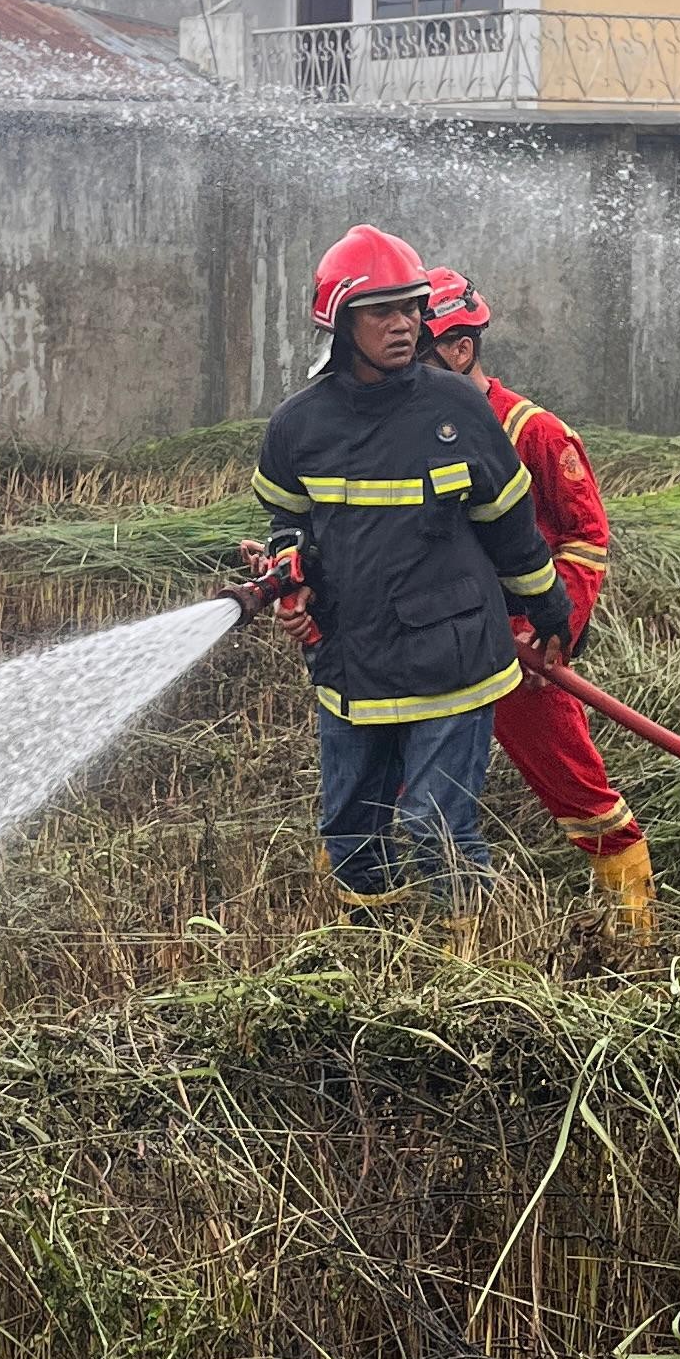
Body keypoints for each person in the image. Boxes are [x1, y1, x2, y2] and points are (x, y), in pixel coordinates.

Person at [255, 226, 571, 907]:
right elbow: (287, 518)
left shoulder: (454, 407)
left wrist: (549, 605)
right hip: (352, 657)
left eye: (411, 310)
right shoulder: (298, 427)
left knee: (434, 828)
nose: (403, 326)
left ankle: (477, 963)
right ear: (340, 321)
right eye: (382, 312)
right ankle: (378, 970)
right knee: (352, 844)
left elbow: (509, 523)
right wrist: (290, 563)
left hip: (452, 654)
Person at [424, 268, 658, 943]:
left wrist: (553, 631)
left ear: (460, 350)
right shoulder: (405, 437)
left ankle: (634, 937)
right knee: (407, 796)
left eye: (418, 354)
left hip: (523, 649)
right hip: (438, 646)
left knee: (579, 794)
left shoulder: (535, 434)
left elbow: (586, 540)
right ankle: (437, 942)